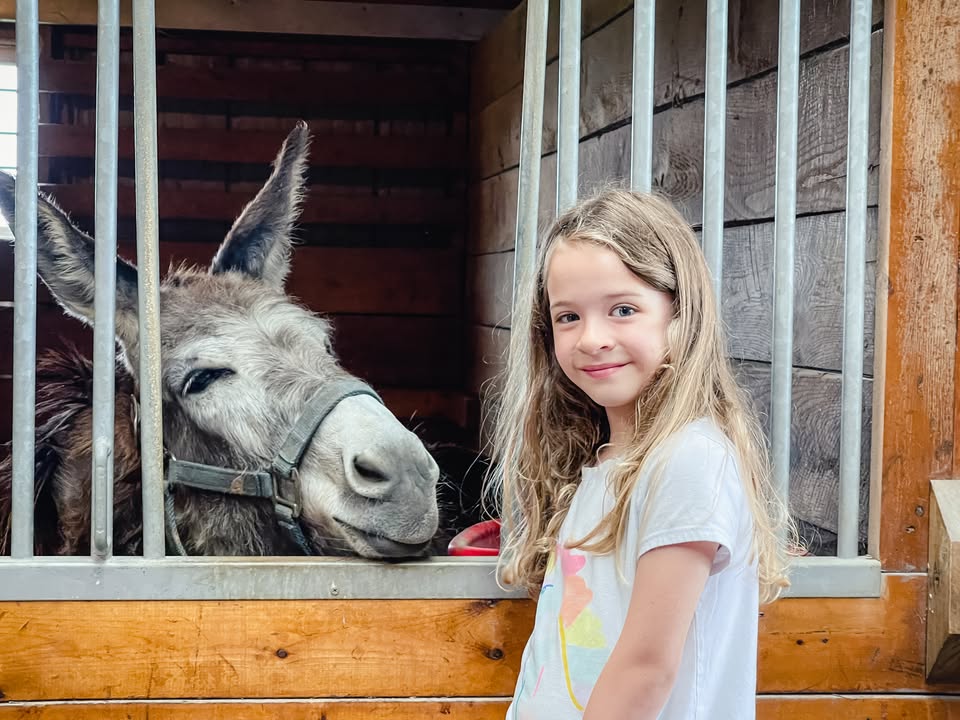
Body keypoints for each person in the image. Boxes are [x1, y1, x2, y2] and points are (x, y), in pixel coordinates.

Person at [486, 188, 794, 719]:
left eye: (623, 309)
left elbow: (647, 666)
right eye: (568, 317)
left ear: (680, 314)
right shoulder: (606, 464)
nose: (592, 338)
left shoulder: (688, 461)